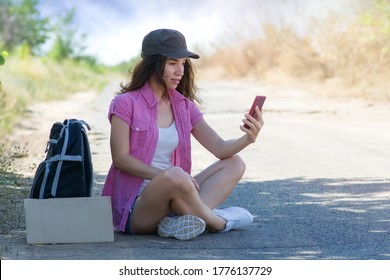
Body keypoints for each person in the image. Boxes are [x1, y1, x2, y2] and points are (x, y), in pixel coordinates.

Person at [102, 29, 264, 241]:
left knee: (235, 163)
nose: (180, 71)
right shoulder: (125, 103)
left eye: (183, 63)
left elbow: (220, 147)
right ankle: (219, 222)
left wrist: (248, 138)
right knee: (176, 174)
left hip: (176, 196)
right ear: (153, 64)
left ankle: (177, 222)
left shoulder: (183, 106)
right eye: (172, 63)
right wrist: (167, 176)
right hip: (137, 208)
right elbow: (121, 160)